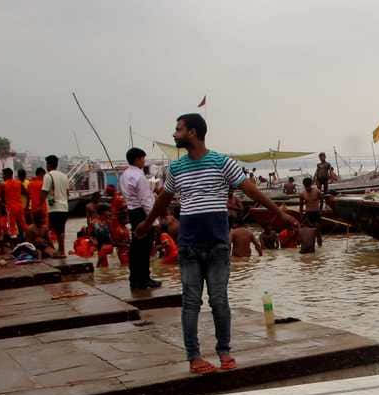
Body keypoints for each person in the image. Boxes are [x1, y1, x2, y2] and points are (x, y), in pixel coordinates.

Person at [136, 113, 298, 375]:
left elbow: (251, 190)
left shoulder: (222, 162)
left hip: (217, 245)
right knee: (190, 302)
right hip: (188, 245)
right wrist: (147, 223)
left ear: (193, 132)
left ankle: (224, 351)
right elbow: (164, 200)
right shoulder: (176, 168)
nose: (174, 134)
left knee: (219, 301)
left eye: (178, 130)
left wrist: (279, 213)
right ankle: (194, 357)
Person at [120, 147, 161, 289]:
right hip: (142, 213)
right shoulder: (139, 176)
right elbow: (146, 201)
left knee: (136, 247)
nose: (144, 161)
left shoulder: (124, 175)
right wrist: (154, 221)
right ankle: (144, 279)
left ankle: (135, 279)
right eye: (143, 158)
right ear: (137, 159)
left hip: (132, 212)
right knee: (144, 247)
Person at [42, 154, 70, 257]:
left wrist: (40, 205)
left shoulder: (48, 176)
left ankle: (60, 251)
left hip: (54, 208)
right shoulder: (64, 176)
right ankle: (60, 250)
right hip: (65, 207)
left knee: (49, 229)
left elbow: (44, 192)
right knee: (60, 230)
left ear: (48, 165)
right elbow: (67, 193)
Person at [3, 168, 27, 242]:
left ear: (7, 175)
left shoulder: (3, 184)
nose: (3, 176)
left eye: (3, 174)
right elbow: (26, 193)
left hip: (10, 208)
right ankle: (26, 239)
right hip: (20, 206)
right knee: (22, 224)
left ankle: (15, 244)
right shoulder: (19, 183)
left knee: (12, 227)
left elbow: (2, 197)